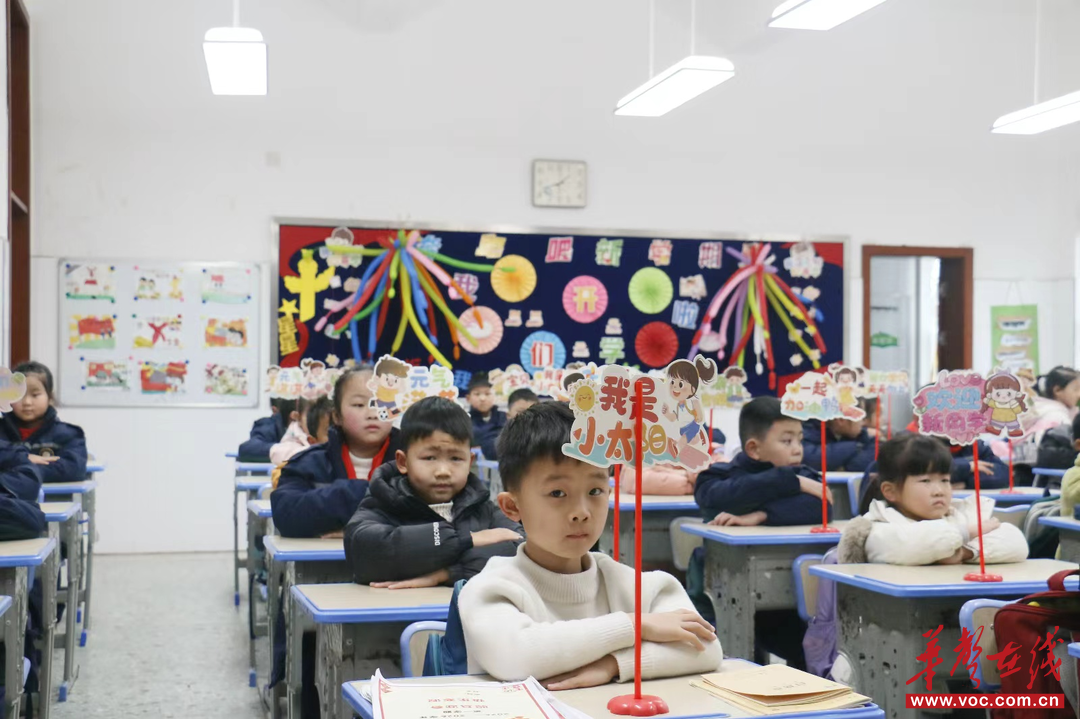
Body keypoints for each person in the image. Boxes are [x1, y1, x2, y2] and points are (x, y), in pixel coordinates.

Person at [458, 403, 721, 689]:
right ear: (511, 506)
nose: (582, 511)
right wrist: (636, 626)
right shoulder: (491, 589)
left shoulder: (643, 587)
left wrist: (612, 665)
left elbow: (706, 649)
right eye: (558, 493)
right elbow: (516, 656)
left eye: (595, 491)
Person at [344, 397, 522, 587]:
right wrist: (464, 540)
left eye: (455, 458)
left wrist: (449, 573)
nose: (443, 471)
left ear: (469, 462)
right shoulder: (383, 503)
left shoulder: (483, 507)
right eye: (429, 458)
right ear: (403, 462)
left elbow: (522, 549)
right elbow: (365, 552)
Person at [847, 434, 1028, 565]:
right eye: (926, 481)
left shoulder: (957, 514)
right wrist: (967, 533)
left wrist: (964, 553)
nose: (939, 491)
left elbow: (1016, 542)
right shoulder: (879, 525)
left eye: (945, 480)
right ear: (890, 491)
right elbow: (912, 545)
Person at [271, 366, 400, 539]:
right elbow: (285, 515)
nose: (372, 413)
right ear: (337, 416)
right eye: (359, 405)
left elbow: (437, 522)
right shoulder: (309, 463)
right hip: (325, 565)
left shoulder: (414, 461)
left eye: (381, 404)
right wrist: (360, 494)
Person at [695, 397, 832, 527]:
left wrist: (760, 516)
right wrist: (786, 481)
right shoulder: (718, 476)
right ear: (754, 449)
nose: (798, 450)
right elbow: (716, 500)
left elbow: (823, 508)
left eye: (800, 441)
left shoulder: (803, 475)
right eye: (787, 441)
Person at [1, 361, 87, 484]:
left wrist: (21, 470)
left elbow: (73, 469)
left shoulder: (69, 434)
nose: (27, 402)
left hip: (56, 500)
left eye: (35, 395)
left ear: (50, 397)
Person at [801, 408, 876, 473]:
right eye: (859, 417)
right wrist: (856, 447)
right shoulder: (807, 432)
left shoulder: (861, 436)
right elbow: (811, 459)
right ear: (841, 420)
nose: (863, 423)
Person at [466, 373, 505, 460]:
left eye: (487, 394)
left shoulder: (504, 418)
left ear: (494, 396)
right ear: (468, 398)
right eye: (477, 394)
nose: (482, 398)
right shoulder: (464, 420)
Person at [269, 396, 313, 465]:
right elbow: (277, 453)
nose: (318, 421)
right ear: (297, 417)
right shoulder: (293, 437)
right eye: (312, 416)